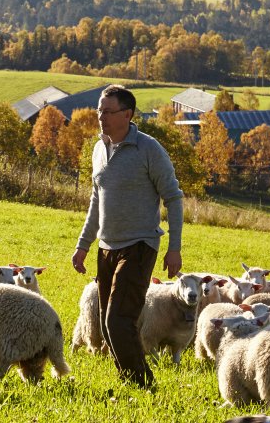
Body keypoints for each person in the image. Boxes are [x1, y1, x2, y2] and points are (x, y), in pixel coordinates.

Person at [70, 84, 184, 388]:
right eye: (99, 110)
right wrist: (83, 244)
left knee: (118, 320)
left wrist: (174, 248)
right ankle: (130, 380)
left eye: (108, 111)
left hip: (139, 245)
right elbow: (97, 200)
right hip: (106, 247)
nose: (101, 116)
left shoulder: (149, 149)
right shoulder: (98, 149)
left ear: (127, 114)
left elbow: (173, 198)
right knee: (108, 326)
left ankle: (143, 385)